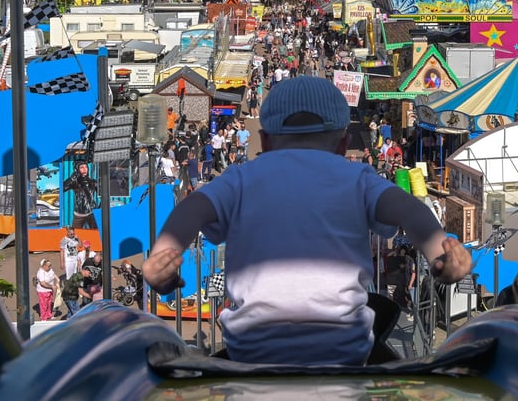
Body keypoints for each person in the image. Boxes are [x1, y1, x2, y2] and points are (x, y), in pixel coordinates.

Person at [143, 75, 471, 366]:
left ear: (267, 141)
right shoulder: (358, 177)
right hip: (344, 351)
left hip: (251, 351)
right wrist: (438, 253)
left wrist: (163, 257)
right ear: (343, 144)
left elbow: (193, 208)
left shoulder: (240, 179)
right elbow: (407, 208)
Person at [63, 163, 98, 229]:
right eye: (82, 167)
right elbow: (62, 188)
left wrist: (100, 208)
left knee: (95, 233)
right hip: (78, 214)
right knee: (76, 234)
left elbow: (103, 194)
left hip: (92, 213)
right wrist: (71, 179)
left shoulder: (93, 182)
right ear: (77, 170)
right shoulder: (75, 182)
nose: (85, 169)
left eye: (86, 167)